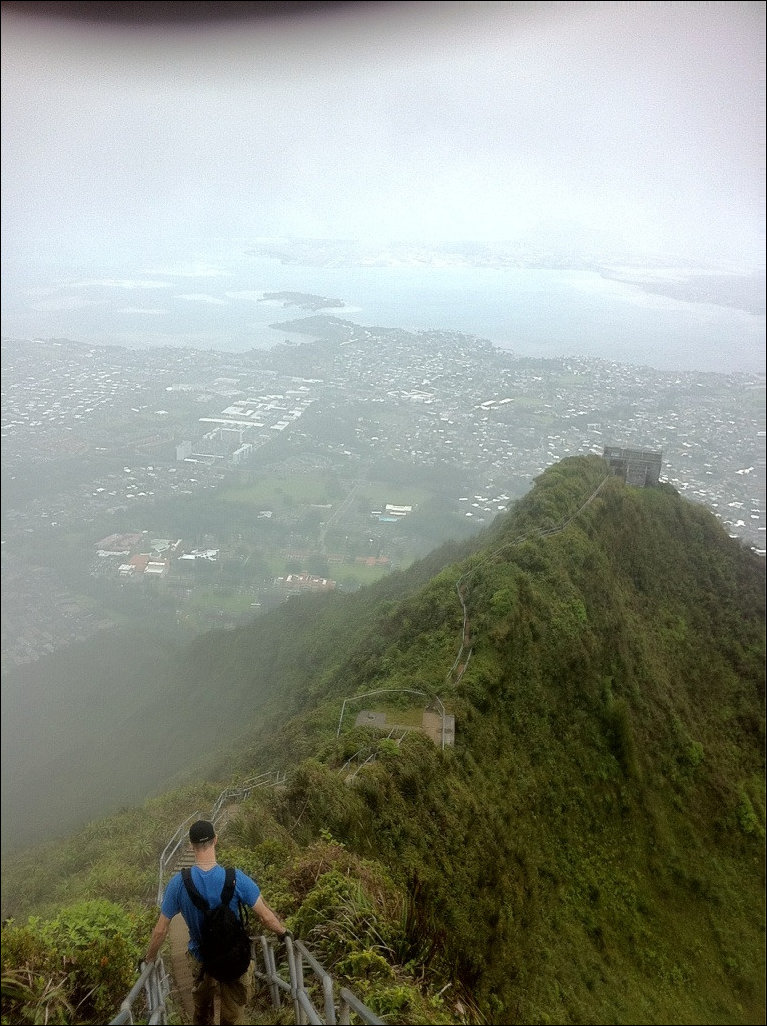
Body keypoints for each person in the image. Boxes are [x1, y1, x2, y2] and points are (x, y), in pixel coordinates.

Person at [143, 819, 290, 1026]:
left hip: (201, 958)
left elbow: (160, 930)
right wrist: (283, 932)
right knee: (234, 1015)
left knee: (203, 1013)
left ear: (191, 846)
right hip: (233, 958)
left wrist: (149, 958)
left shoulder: (178, 884)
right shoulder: (236, 878)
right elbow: (265, 916)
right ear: (216, 840)